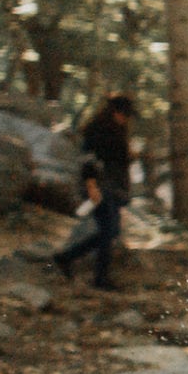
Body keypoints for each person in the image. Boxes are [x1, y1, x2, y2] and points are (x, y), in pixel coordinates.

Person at [52, 94, 134, 289]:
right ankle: (99, 278)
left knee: (110, 231)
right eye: (124, 114)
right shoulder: (97, 129)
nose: (126, 118)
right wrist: (91, 185)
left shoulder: (117, 130)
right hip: (98, 185)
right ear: (116, 112)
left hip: (112, 187)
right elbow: (88, 159)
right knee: (109, 230)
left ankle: (67, 258)